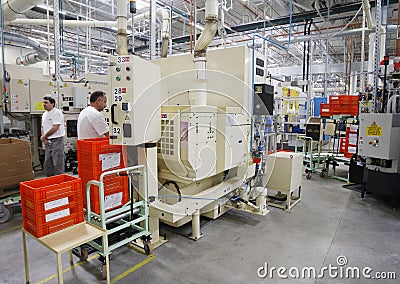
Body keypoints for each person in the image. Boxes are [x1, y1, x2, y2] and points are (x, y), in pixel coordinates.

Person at [41, 96, 65, 177]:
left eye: (46, 103)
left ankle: (59, 181)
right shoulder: (44, 114)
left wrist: (44, 136)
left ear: (52, 104)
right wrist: (44, 137)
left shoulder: (57, 112)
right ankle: (50, 181)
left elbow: (55, 127)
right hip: (48, 141)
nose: (44, 104)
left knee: (57, 163)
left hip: (57, 140)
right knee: (48, 163)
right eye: (43, 103)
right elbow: (42, 127)